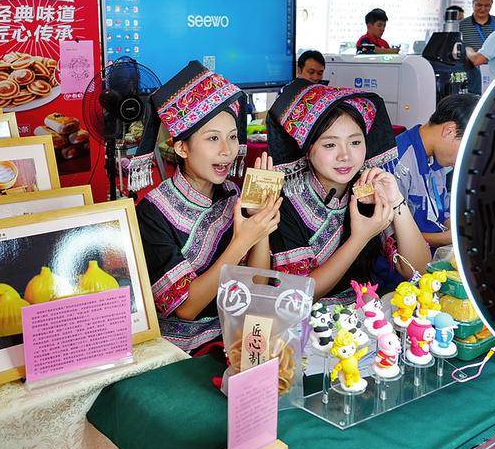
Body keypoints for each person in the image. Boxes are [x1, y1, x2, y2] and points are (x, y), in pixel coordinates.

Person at [134, 61, 282, 352]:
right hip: (180, 350)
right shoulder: (151, 212)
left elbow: (258, 285)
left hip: (235, 334)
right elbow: (186, 309)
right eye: (213, 139)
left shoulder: (232, 194)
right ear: (181, 147)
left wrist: (260, 221)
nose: (227, 151)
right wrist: (241, 242)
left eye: (232, 137)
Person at [266, 79, 430, 302]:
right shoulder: (286, 202)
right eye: (330, 145)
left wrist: (397, 200)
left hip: (366, 316)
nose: (345, 155)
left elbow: (416, 270)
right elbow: (296, 294)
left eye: (355, 142)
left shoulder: (367, 190)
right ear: (307, 149)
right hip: (307, 325)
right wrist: (360, 237)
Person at [394, 93, 478, 248]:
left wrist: (462, 227)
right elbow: (393, 240)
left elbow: (441, 213)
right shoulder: (399, 162)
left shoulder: (438, 159)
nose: (465, 161)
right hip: (402, 268)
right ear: (449, 131)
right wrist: (449, 238)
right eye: (467, 150)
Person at [459, 0, 495, 94]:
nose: (482, 9)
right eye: (479, 5)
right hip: (471, 77)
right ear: (473, 3)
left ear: (492, 4)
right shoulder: (462, 25)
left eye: (487, 6)